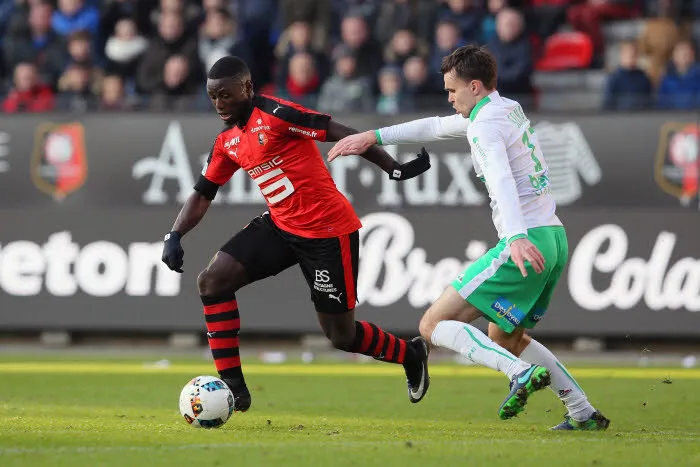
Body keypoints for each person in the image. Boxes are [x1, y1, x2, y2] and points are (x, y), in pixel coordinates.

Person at [328, 45, 610, 431]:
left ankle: (518, 374)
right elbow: (435, 126)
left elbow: (501, 180)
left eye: (452, 90)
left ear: (474, 87)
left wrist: (513, 237)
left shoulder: (483, 126)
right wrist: (372, 136)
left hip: (525, 240)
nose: (449, 98)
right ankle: (582, 412)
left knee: (431, 325)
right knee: (506, 336)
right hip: (553, 237)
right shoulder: (504, 108)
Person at [160, 56, 431, 412]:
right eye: (213, 97)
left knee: (341, 336)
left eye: (226, 95)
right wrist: (175, 234)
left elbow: (338, 132)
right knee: (212, 281)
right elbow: (203, 190)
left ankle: (410, 354)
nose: (219, 104)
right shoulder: (227, 140)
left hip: (328, 232)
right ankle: (234, 389)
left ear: (247, 88)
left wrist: (392, 167)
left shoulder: (276, 114)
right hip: (281, 225)